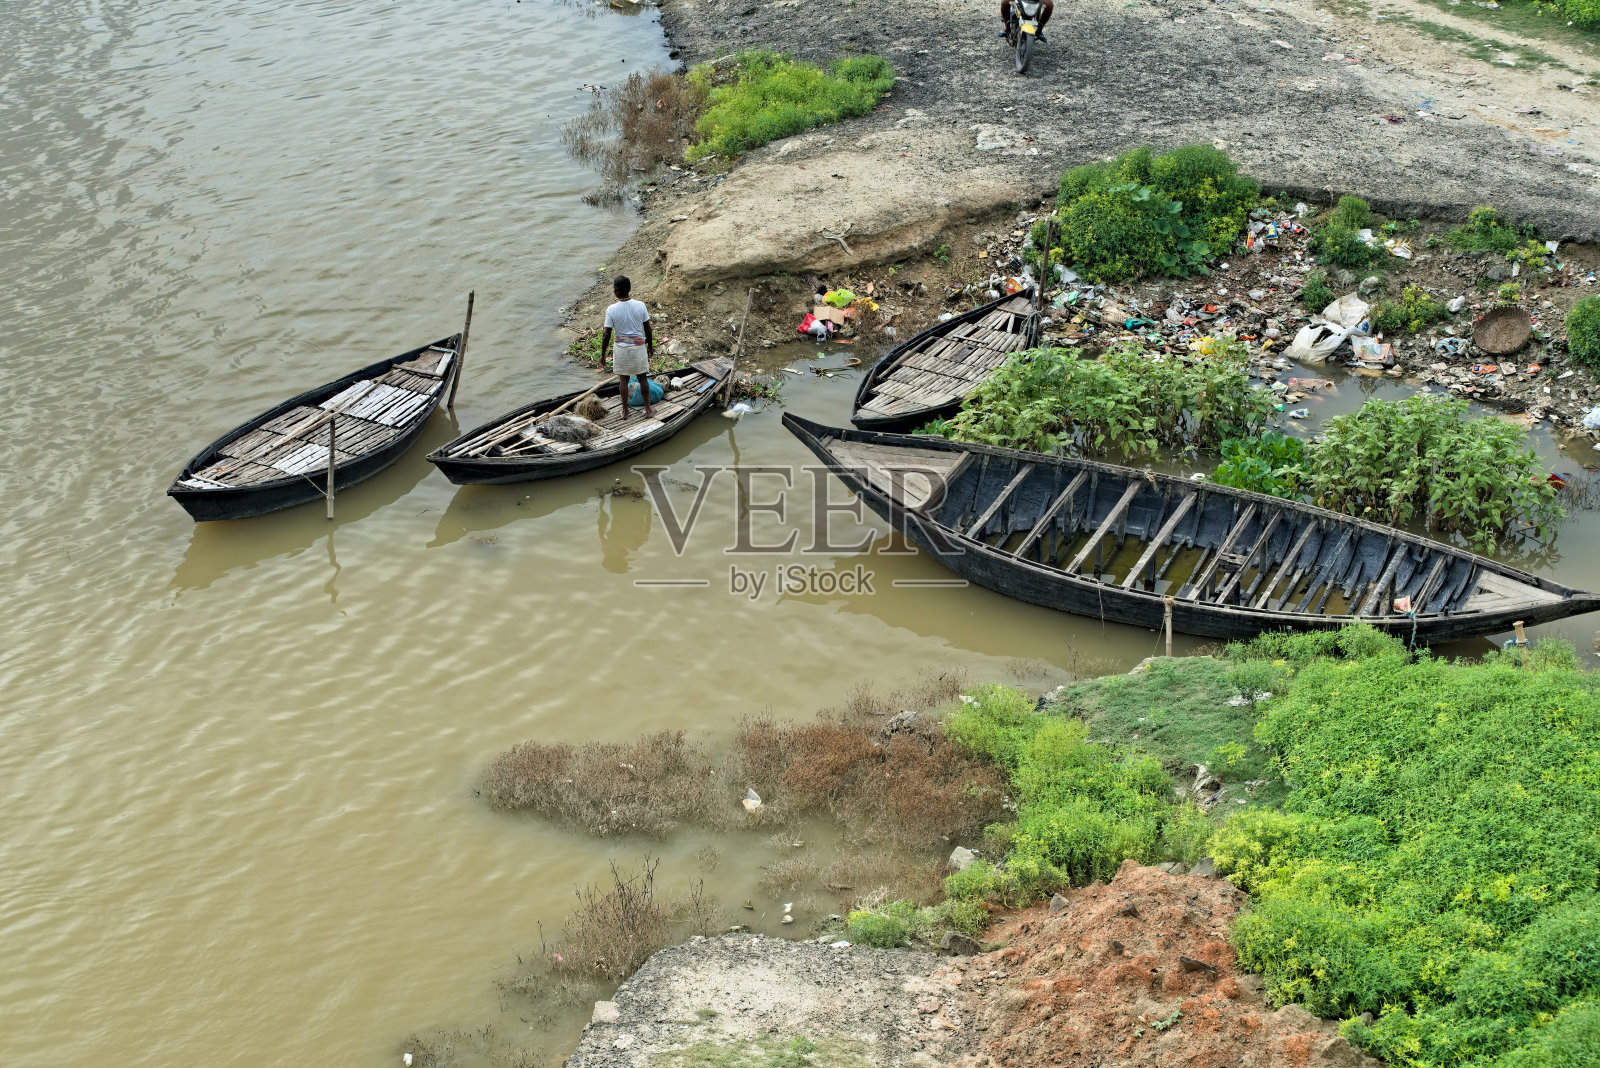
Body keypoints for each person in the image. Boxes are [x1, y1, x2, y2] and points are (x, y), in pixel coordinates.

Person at [600, 275, 655, 420]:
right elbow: (648, 329)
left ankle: (625, 411)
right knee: (642, 377)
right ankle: (648, 410)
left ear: (616, 292)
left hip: (621, 348)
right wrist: (650, 347)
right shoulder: (640, 305)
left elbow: (606, 334)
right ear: (629, 289)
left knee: (623, 380)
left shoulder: (611, 309)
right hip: (638, 347)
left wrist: (603, 354)